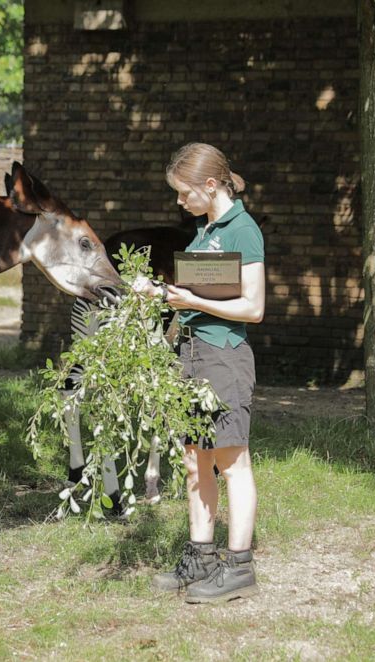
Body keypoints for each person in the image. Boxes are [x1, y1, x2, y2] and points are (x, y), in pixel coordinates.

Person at [132, 142, 265, 603]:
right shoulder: (203, 230)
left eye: (184, 192)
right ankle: (200, 556)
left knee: (232, 462)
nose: (179, 201)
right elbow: (198, 290)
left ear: (211, 185)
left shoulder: (243, 231)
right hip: (191, 355)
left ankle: (239, 567)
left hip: (224, 356)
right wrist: (160, 292)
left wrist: (192, 301)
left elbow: (253, 307)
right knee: (194, 457)